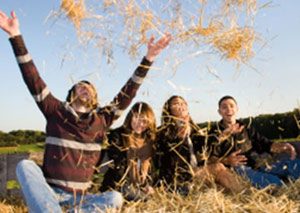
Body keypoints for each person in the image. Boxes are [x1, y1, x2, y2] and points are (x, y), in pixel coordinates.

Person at [0, 10, 171, 212]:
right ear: (71, 93)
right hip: (50, 193)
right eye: (80, 85)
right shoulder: (55, 110)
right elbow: (32, 78)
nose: (85, 88)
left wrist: (148, 58)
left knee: (114, 199)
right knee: (25, 166)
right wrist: (15, 36)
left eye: (90, 88)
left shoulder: (102, 118)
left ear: (95, 98)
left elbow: (128, 93)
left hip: (81, 200)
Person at [155, 95, 242, 195]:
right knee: (218, 167)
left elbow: (205, 147)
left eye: (183, 103)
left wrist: (222, 135)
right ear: (168, 110)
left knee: (220, 186)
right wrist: (179, 140)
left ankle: (244, 197)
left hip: (196, 173)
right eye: (176, 104)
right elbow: (164, 161)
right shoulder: (162, 132)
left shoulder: (194, 130)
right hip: (177, 178)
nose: (181, 106)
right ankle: (244, 195)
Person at [209, 95, 300, 189]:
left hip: (258, 163)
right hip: (238, 169)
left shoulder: (246, 127)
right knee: (274, 183)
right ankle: (280, 187)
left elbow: (265, 143)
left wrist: (282, 146)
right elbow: (208, 159)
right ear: (219, 112)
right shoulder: (214, 134)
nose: (228, 109)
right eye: (224, 107)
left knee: (295, 165)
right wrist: (227, 160)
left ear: (237, 109)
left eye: (232, 106)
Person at [100, 102, 156, 201]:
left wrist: (148, 185)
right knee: (145, 199)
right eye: (137, 118)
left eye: (145, 121)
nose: (140, 123)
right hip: (119, 184)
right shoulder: (117, 136)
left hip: (139, 187)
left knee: (152, 197)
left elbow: (151, 169)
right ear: (130, 116)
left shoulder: (150, 142)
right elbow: (117, 166)